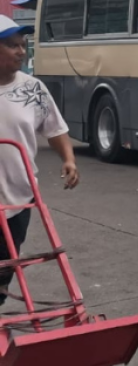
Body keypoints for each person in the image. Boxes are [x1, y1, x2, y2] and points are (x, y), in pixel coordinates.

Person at [0, 16, 79, 308]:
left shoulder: (33, 89)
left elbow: (55, 129)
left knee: (6, 265)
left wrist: (68, 159)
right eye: (11, 45)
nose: (21, 51)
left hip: (19, 197)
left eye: (23, 45)